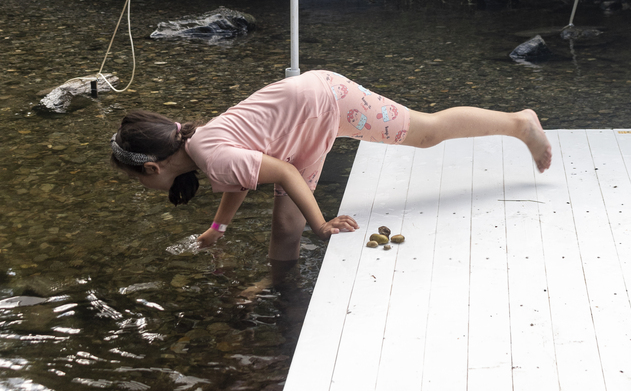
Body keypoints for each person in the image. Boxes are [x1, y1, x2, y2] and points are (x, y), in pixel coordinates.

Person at [110, 69, 551, 262]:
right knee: (286, 225)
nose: (143, 189)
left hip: (326, 104)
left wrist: (321, 225)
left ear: (153, 168)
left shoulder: (214, 158)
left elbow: (283, 173)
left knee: (428, 132)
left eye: (136, 182)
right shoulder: (202, 143)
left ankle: (520, 123)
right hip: (309, 114)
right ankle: (279, 287)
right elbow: (241, 180)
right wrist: (217, 229)